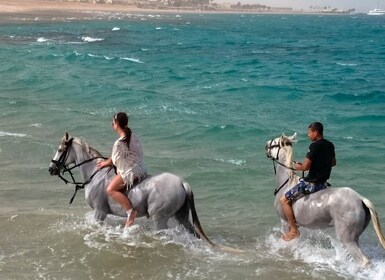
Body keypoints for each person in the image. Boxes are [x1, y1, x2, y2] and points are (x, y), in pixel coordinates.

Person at [280, 122, 336, 241]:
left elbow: (305, 167)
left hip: (312, 184)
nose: (308, 136)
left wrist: (295, 166)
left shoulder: (314, 146)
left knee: (284, 200)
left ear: (316, 132)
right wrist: (319, 164)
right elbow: (333, 162)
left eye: (309, 133)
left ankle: (294, 230)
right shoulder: (330, 145)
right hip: (323, 184)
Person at [97, 112, 147, 227]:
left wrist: (105, 163)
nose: (112, 125)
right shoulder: (134, 136)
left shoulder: (118, 143)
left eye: (113, 122)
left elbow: (114, 160)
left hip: (133, 172)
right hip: (142, 168)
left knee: (110, 189)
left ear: (117, 124)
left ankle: (131, 212)